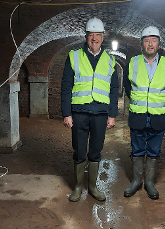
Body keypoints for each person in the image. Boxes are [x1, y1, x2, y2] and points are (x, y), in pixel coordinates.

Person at [61, 17, 118, 202]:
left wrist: (112, 115)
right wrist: (66, 113)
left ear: (103, 37)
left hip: (100, 114)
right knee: (78, 150)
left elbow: (114, 89)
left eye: (98, 35)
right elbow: (66, 86)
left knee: (95, 150)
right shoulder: (74, 56)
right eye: (91, 35)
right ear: (86, 37)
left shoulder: (110, 61)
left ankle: (92, 187)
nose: (94, 38)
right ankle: (78, 187)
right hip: (79, 113)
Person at [123, 26, 165, 200]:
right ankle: (136, 181)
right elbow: (127, 86)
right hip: (138, 114)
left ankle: (150, 183)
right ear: (141, 44)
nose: (150, 44)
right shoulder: (133, 62)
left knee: (154, 150)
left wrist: (156, 101)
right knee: (137, 149)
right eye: (146, 40)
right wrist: (141, 101)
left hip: (158, 115)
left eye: (154, 40)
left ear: (159, 43)